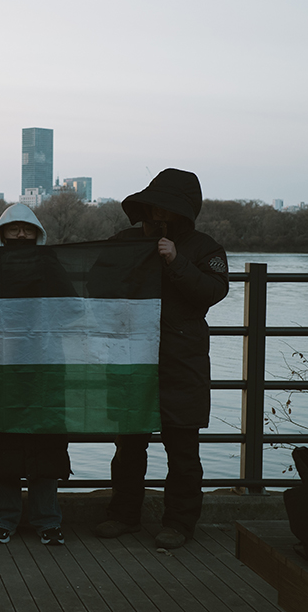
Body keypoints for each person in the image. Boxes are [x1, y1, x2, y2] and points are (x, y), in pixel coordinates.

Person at [93, 168, 228, 549]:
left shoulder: (206, 248)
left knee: (182, 450)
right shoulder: (125, 241)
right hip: (133, 356)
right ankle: (123, 515)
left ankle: (180, 524)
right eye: (151, 207)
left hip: (182, 361)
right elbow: (98, 284)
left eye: (164, 208)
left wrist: (176, 261)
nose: (156, 215)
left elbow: (212, 292)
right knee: (129, 446)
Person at [0, 203, 71, 546]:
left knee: (46, 444)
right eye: (13, 229)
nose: (19, 235)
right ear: (0, 234)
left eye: (26, 229)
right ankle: (3, 520)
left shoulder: (52, 267)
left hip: (44, 368)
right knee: (1, 444)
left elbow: (72, 308)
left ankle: (48, 521)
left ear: (37, 234)